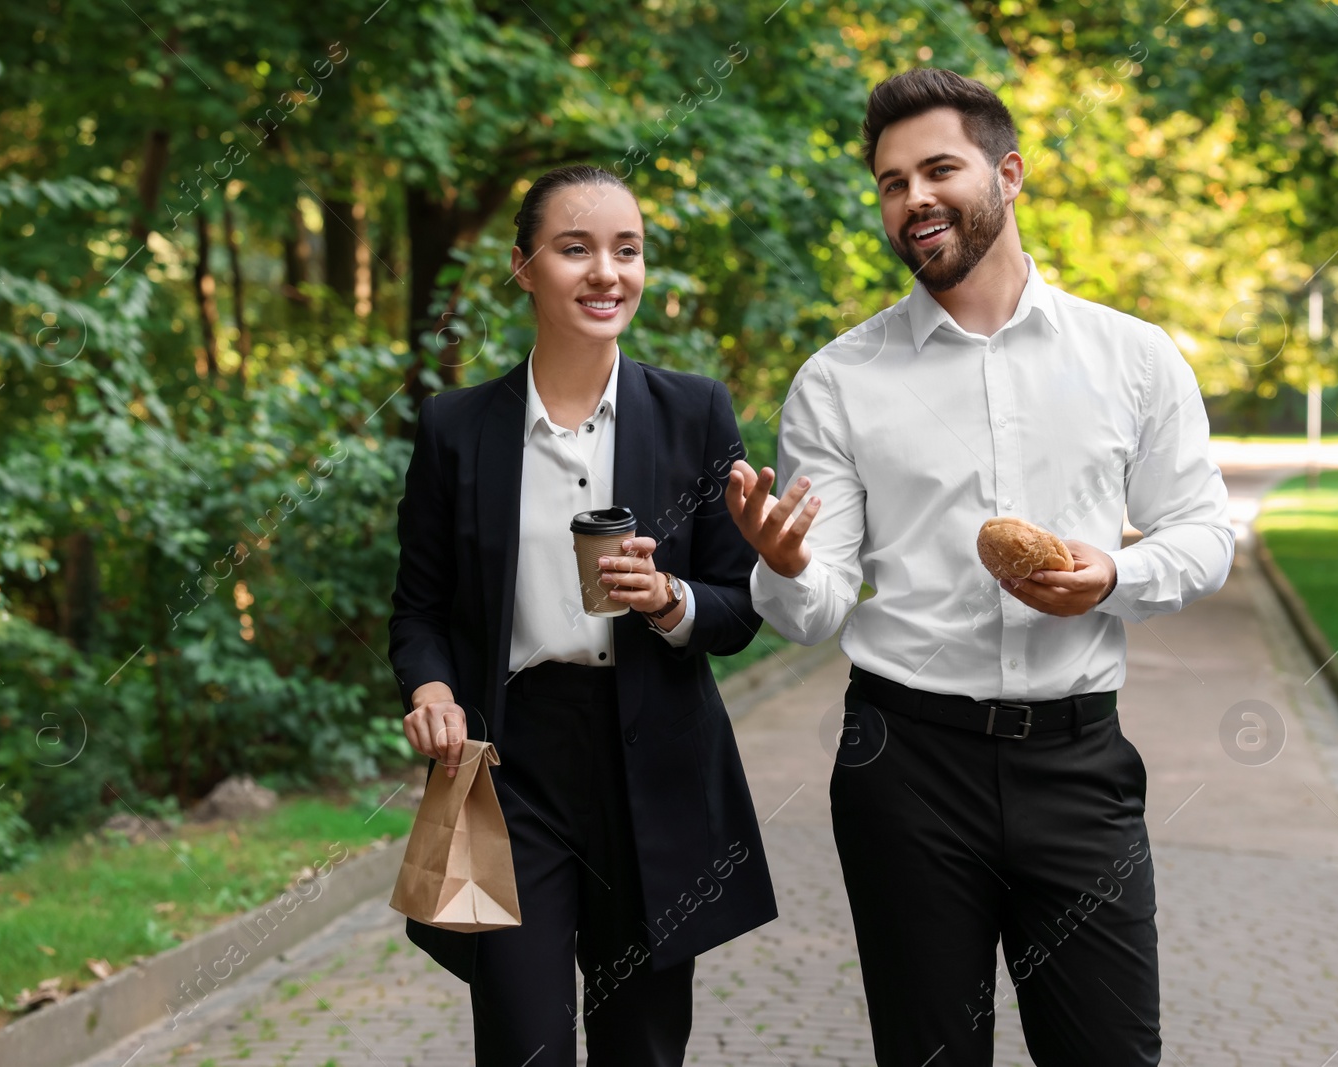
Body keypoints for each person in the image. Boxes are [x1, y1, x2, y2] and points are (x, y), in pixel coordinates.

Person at [725, 68, 1233, 1065]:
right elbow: (815, 605)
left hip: (1078, 763)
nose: (912, 197)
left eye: (937, 169)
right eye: (889, 182)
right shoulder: (838, 380)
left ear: (1007, 174)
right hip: (904, 763)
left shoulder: (1132, 357)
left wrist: (1111, 578)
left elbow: (1203, 532)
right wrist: (782, 566)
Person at [388, 163, 776, 1067]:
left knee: (641, 1046)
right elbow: (419, 607)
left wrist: (672, 600)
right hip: (509, 766)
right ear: (524, 267)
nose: (608, 272)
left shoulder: (694, 411)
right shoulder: (456, 426)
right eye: (577, 249)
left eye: (627, 250)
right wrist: (432, 685)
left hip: (655, 761)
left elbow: (740, 603)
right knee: (521, 1042)